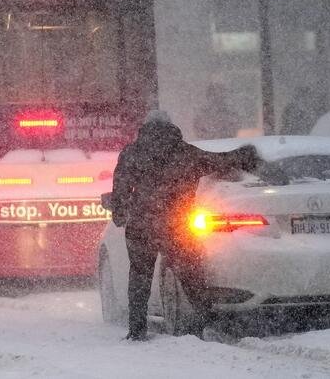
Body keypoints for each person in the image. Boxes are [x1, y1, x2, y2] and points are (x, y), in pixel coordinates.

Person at [109, 110, 262, 341]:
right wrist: (245, 155)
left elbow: (120, 188)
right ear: (171, 126)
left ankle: (137, 330)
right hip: (177, 224)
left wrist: (120, 214)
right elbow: (219, 161)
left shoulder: (132, 153)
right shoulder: (185, 153)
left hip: (142, 224)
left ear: (145, 127)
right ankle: (204, 323)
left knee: (139, 277)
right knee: (191, 276)